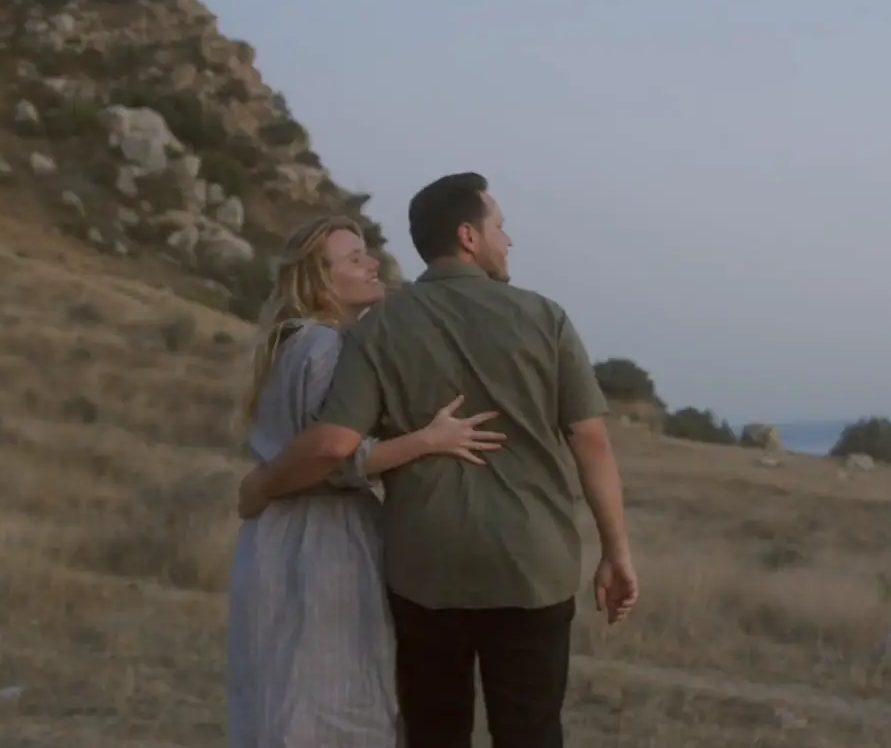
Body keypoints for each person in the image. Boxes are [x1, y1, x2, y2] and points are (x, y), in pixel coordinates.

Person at [238, 173, 637, 748]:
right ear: (468, 236)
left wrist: (260, 485)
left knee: (434, 733)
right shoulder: (544, 316)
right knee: (530, 732)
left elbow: (332, 442)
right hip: (530, 567)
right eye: (500, 227)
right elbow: (591, 441)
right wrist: (616, 552)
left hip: (424, 572)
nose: (509, 240)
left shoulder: (379, 326)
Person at [226, 215, 508, 748]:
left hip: (271, 537)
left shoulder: (286, 342)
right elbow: (333, 454)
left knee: (277, 697)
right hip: (324, 540)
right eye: (354, 258)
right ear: (319, 280)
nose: (372, 262)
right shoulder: (326, 347)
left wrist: (261, 486)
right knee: (334, 700)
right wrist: (429, 439)